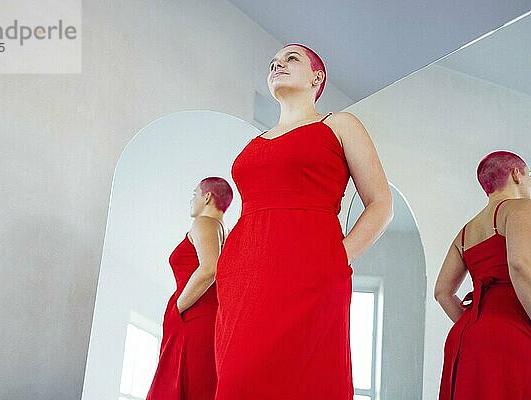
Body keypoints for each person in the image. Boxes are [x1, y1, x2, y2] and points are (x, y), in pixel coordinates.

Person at [214, 43, 393, 399]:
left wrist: (335, 258)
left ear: (317, 77)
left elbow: (380, 203)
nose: (277, 64)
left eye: (290, 59)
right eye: (273, 63)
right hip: (242, 275)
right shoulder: (253, 144)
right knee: (237, 381)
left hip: (311, 270)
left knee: (305, 377)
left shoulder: (339, 124)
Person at [435, 151, 531, 400]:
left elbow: (442, 292)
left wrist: (476, 326)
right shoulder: (520, 208)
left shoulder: (466, 232)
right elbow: (520, 266)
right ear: (516, 174)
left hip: (466, 338)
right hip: (512, 331)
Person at [146, 177, 233, 400]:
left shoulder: (205, 223)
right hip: (210, 319)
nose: (191, 200)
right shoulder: (228, 232)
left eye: (194, 194)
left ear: (207, 197)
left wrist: (177, 306)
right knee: (201, 385)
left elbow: (209, 269)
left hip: (192, 316)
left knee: (183, 385)